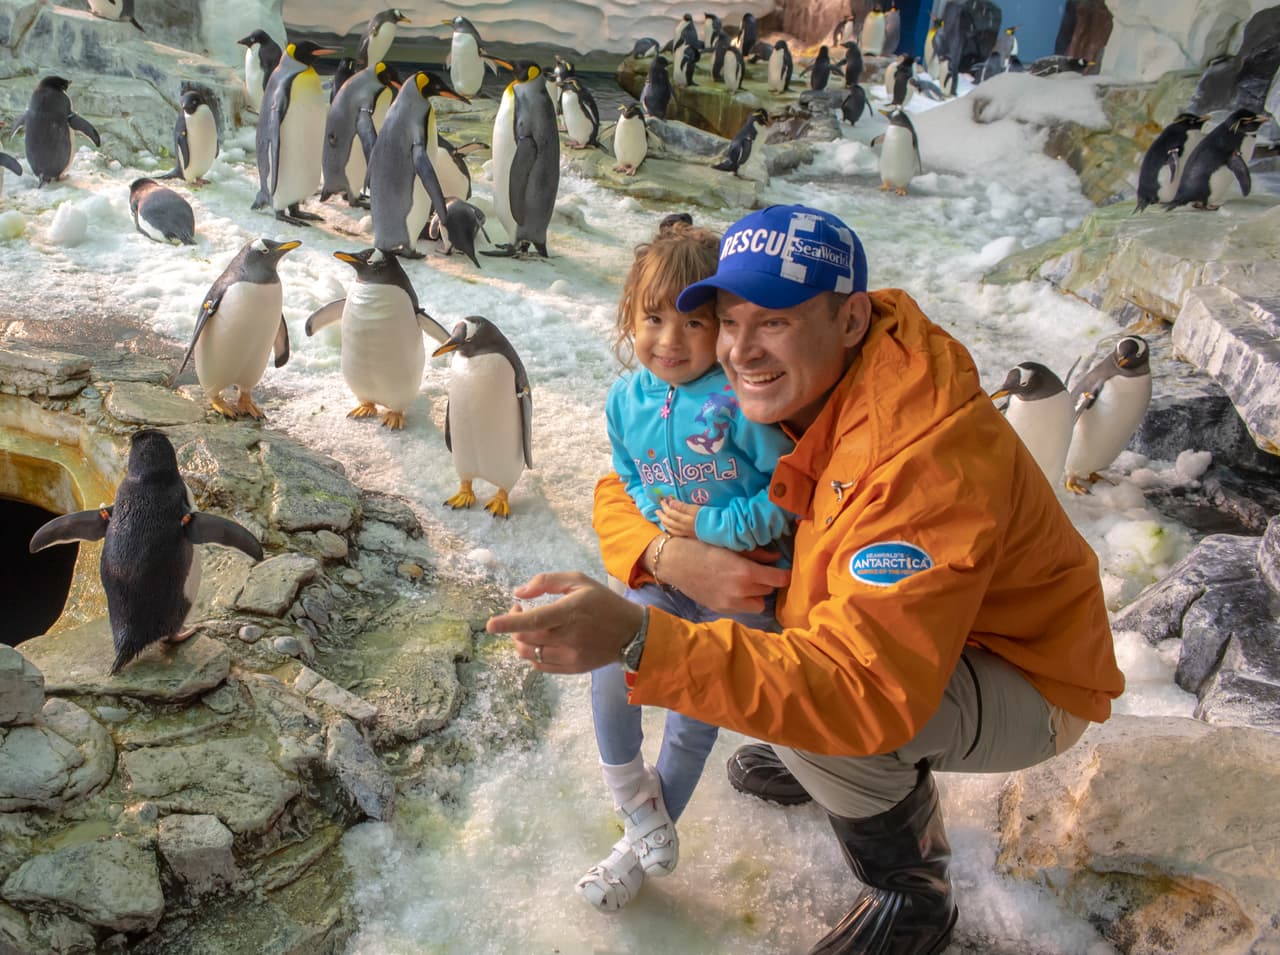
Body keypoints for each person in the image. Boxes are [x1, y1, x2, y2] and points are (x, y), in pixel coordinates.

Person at [488, 203, 1125, 954]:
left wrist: (639, 639)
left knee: (811, 714)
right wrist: (668, 557)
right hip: (910, 630)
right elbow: (625, 485)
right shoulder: (807, 385)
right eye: (729, 322)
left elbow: (863, 688)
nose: (739, 350)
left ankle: (911, 891)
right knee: (777, 679)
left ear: (850, 318)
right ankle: (833, 773)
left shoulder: (919, 463)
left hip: (1025, 676)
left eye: (775, 322)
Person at [577, 220, 793, 913]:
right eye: (653, 318)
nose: (670, 339)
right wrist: (658, 522)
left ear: (721, 328)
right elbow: (629, 472)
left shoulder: (742, 402)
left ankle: (634, 847)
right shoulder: (625, 400)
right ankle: (634, 805)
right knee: (612, 651)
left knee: (697, 706)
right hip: (668, 578)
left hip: (742, 585)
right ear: (629, 318)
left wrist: (709, 529)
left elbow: (786, 492)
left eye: (693, 322)